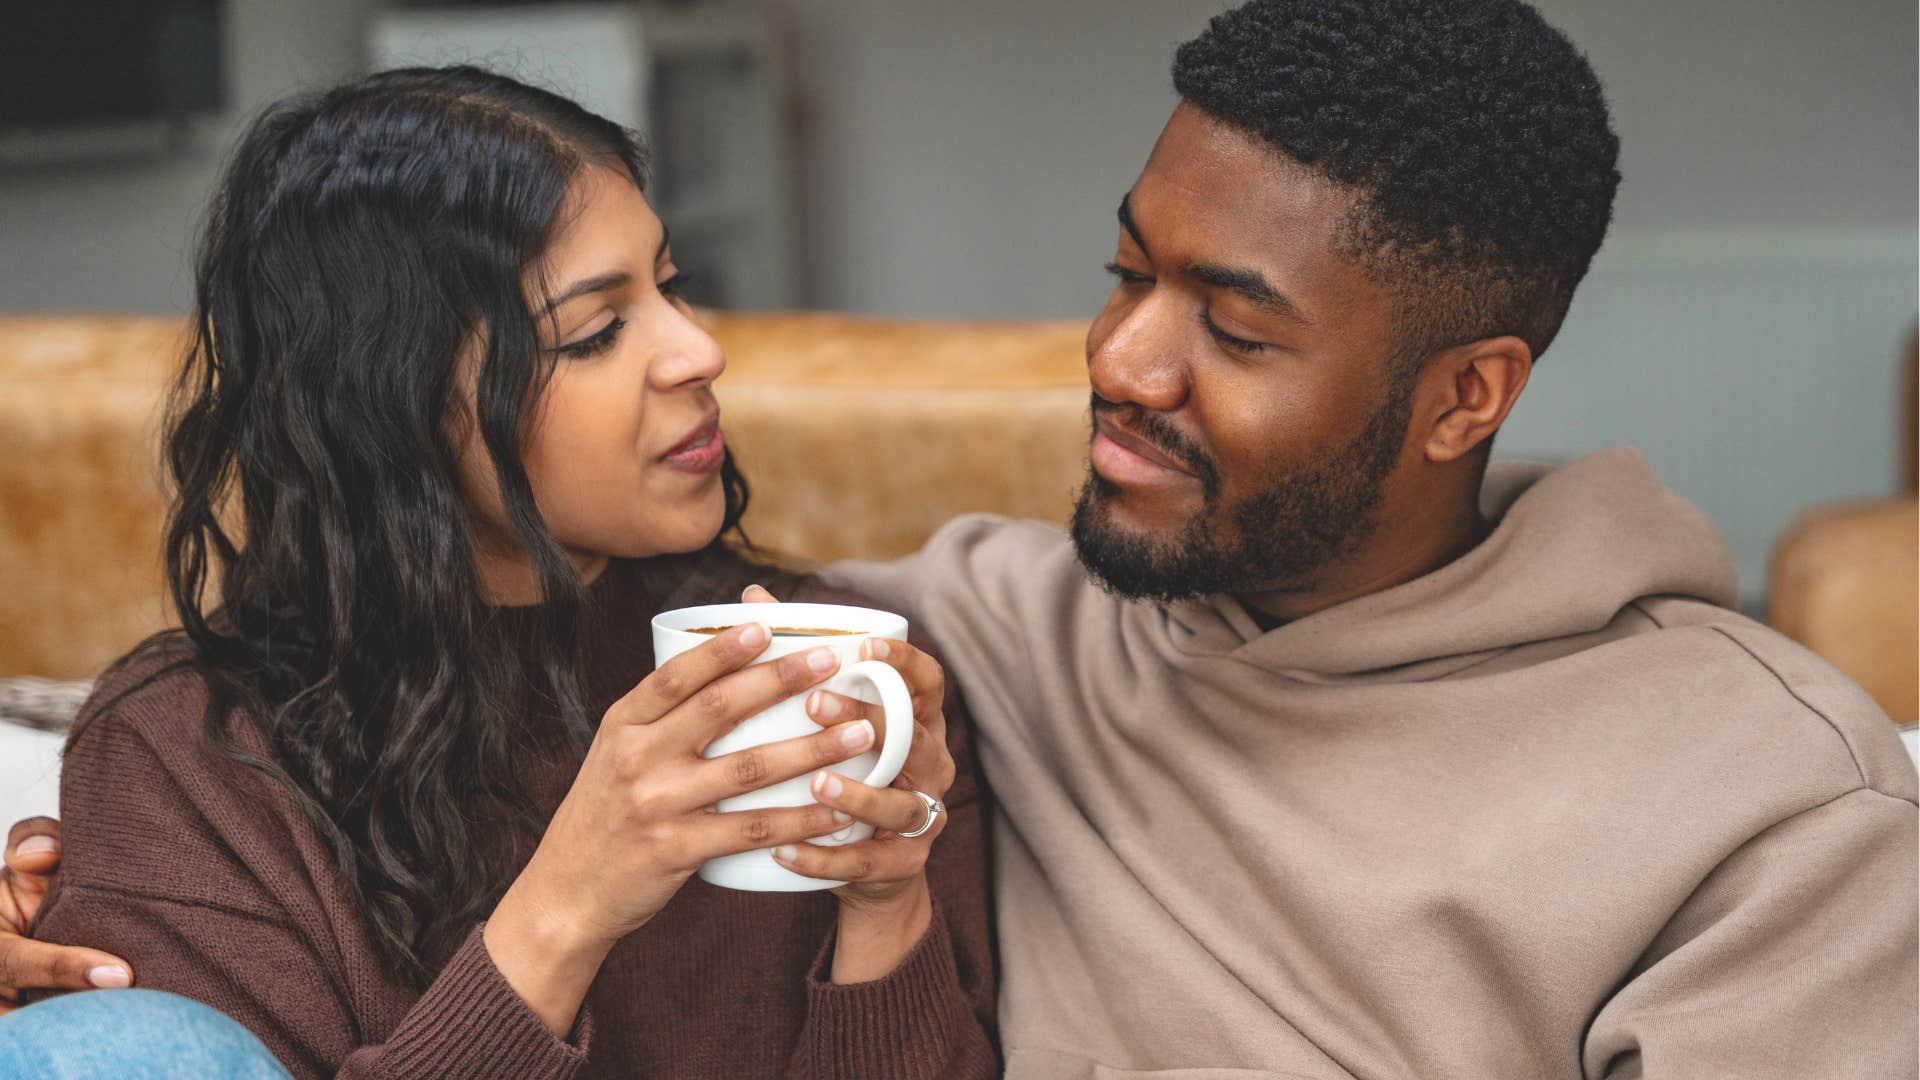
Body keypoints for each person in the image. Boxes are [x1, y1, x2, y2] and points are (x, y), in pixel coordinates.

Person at [10, 0, 1920, 1077]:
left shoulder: (1771, 804)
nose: (1118, 364)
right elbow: (310, 696)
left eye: (1234, 330)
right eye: (1121, 274)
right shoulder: (994, 630)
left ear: (1463, 395)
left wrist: (885, 903)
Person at [0, 66, 995, 1079]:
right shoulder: (186, 760)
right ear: (395, 407)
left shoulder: (843, 663)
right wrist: (570, 904)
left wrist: (888, 907)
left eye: (672, 284)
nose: (699, 351)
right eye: (597, 331)